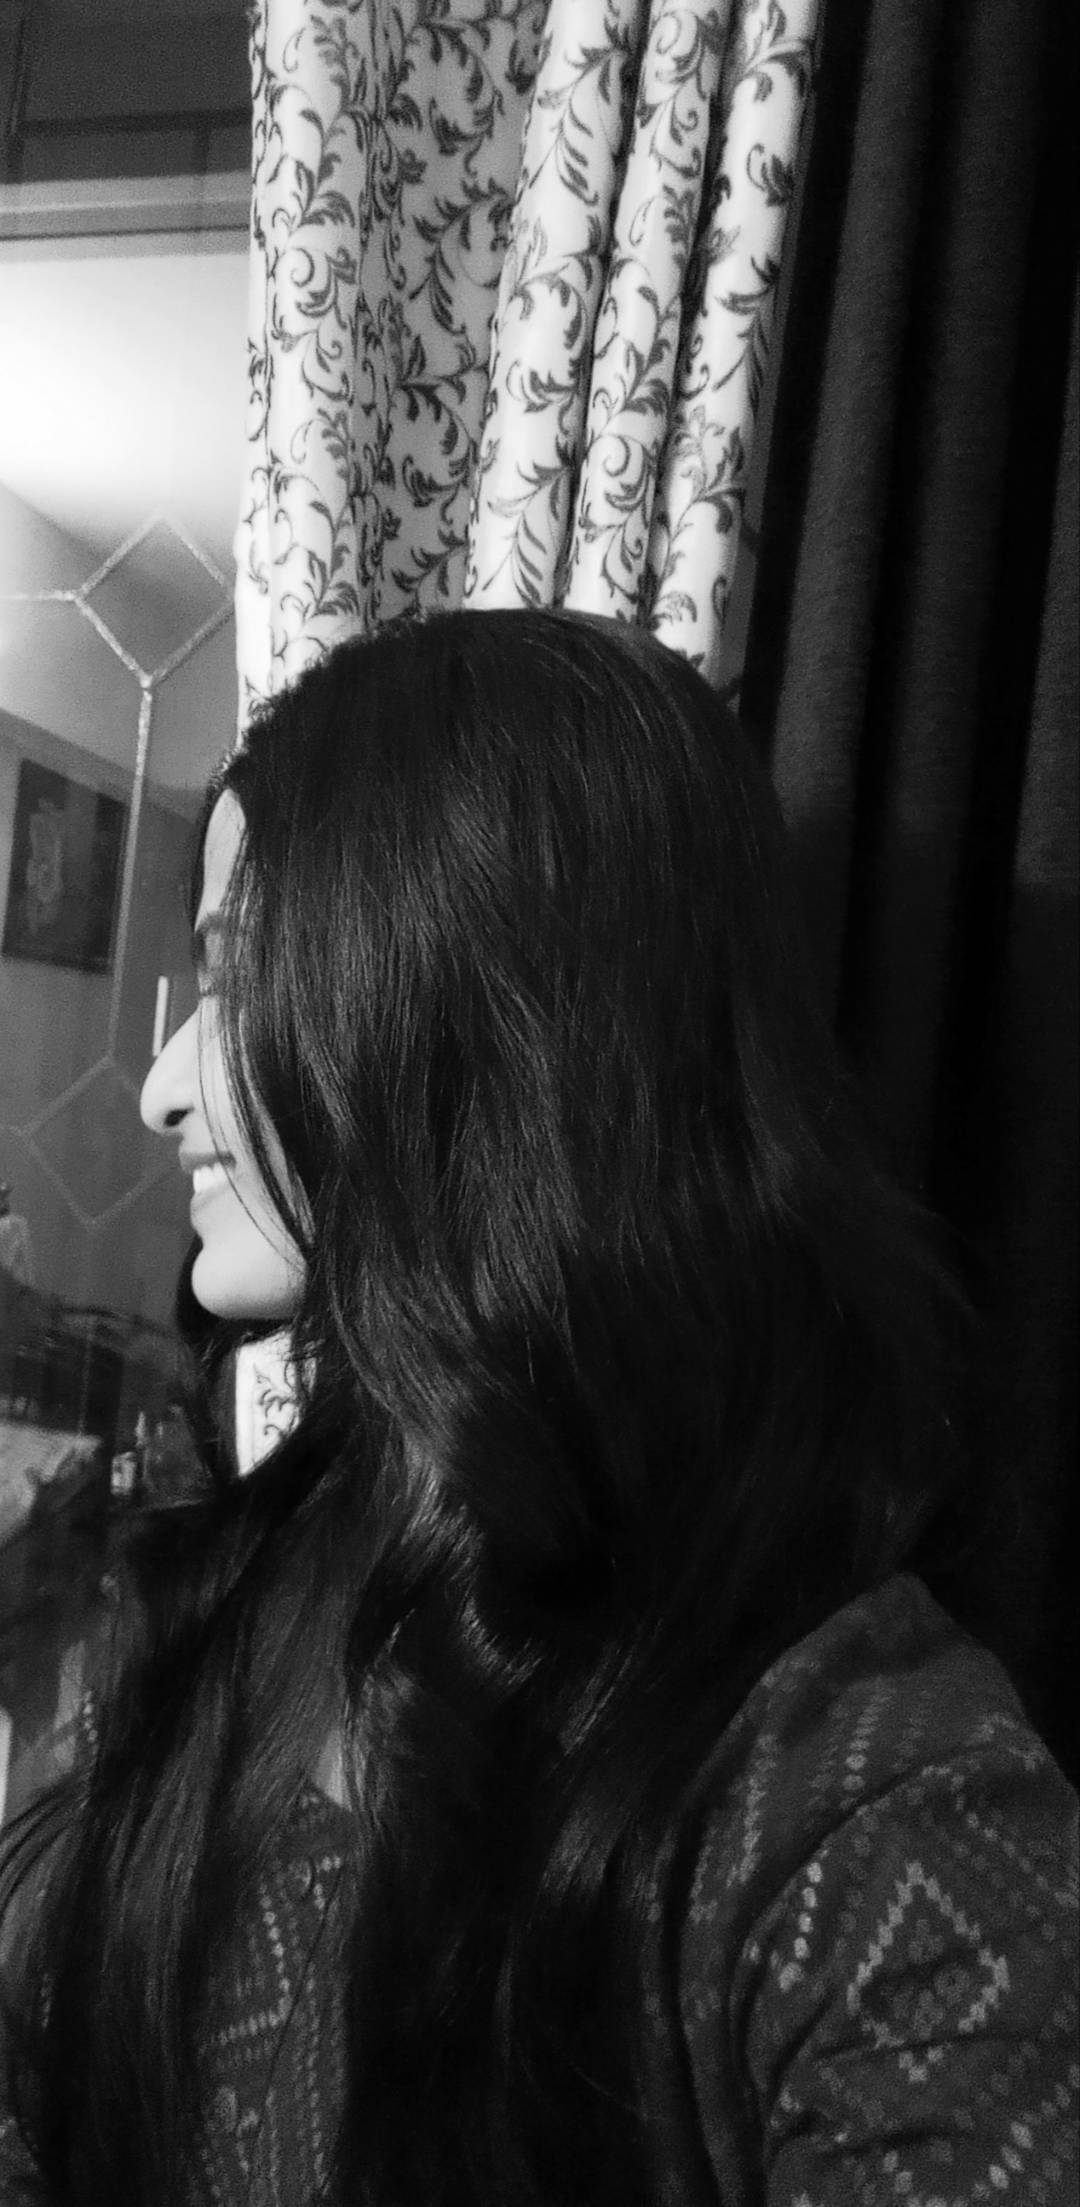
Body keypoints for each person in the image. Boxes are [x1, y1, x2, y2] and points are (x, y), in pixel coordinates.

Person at [0, 608, 1075, 2205]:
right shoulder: (258, 1587)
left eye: (238, 977)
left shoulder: (870, 1796)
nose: (164, 1088)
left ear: (479, 1013)